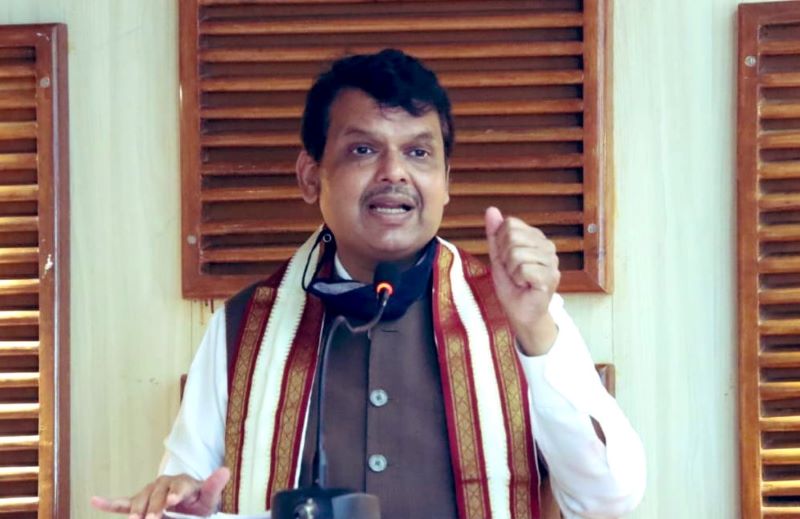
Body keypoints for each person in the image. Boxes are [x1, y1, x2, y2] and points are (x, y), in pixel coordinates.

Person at [92, 49, 645, 519]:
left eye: (418, 152)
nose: (394, 172)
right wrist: (185, 509)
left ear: (446, 182)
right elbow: (184, 491)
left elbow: (609, 499)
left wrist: (535, 330)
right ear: (311, 176)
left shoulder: (516, 310)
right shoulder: (244, 326)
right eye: (363, 149)